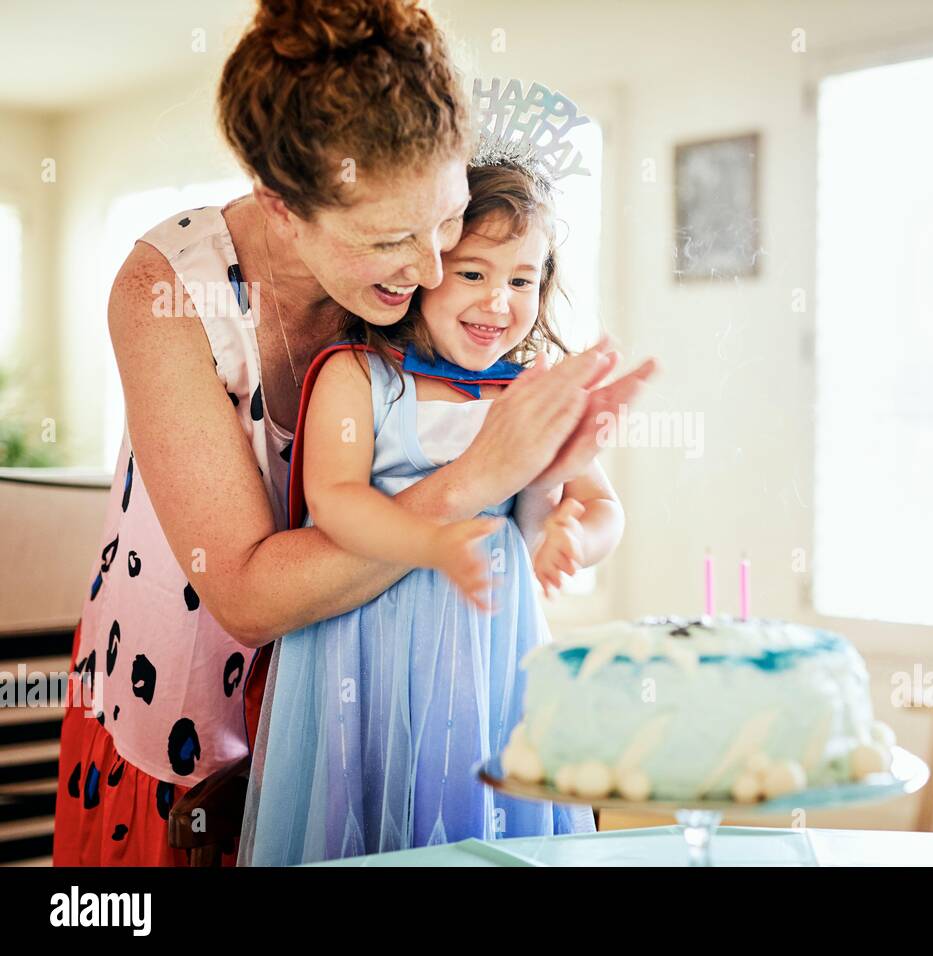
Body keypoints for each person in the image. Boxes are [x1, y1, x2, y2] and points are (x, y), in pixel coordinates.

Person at [53, 0, 651, 866]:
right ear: (282, 204)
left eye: (446, 219)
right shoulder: (170, 293)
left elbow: (520, 506)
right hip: (186, 726)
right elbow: (250, 597)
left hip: (386, 719)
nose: (437, 269)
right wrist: (479, 477)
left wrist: (552, 495)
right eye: (391, 240)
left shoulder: (432, 301)